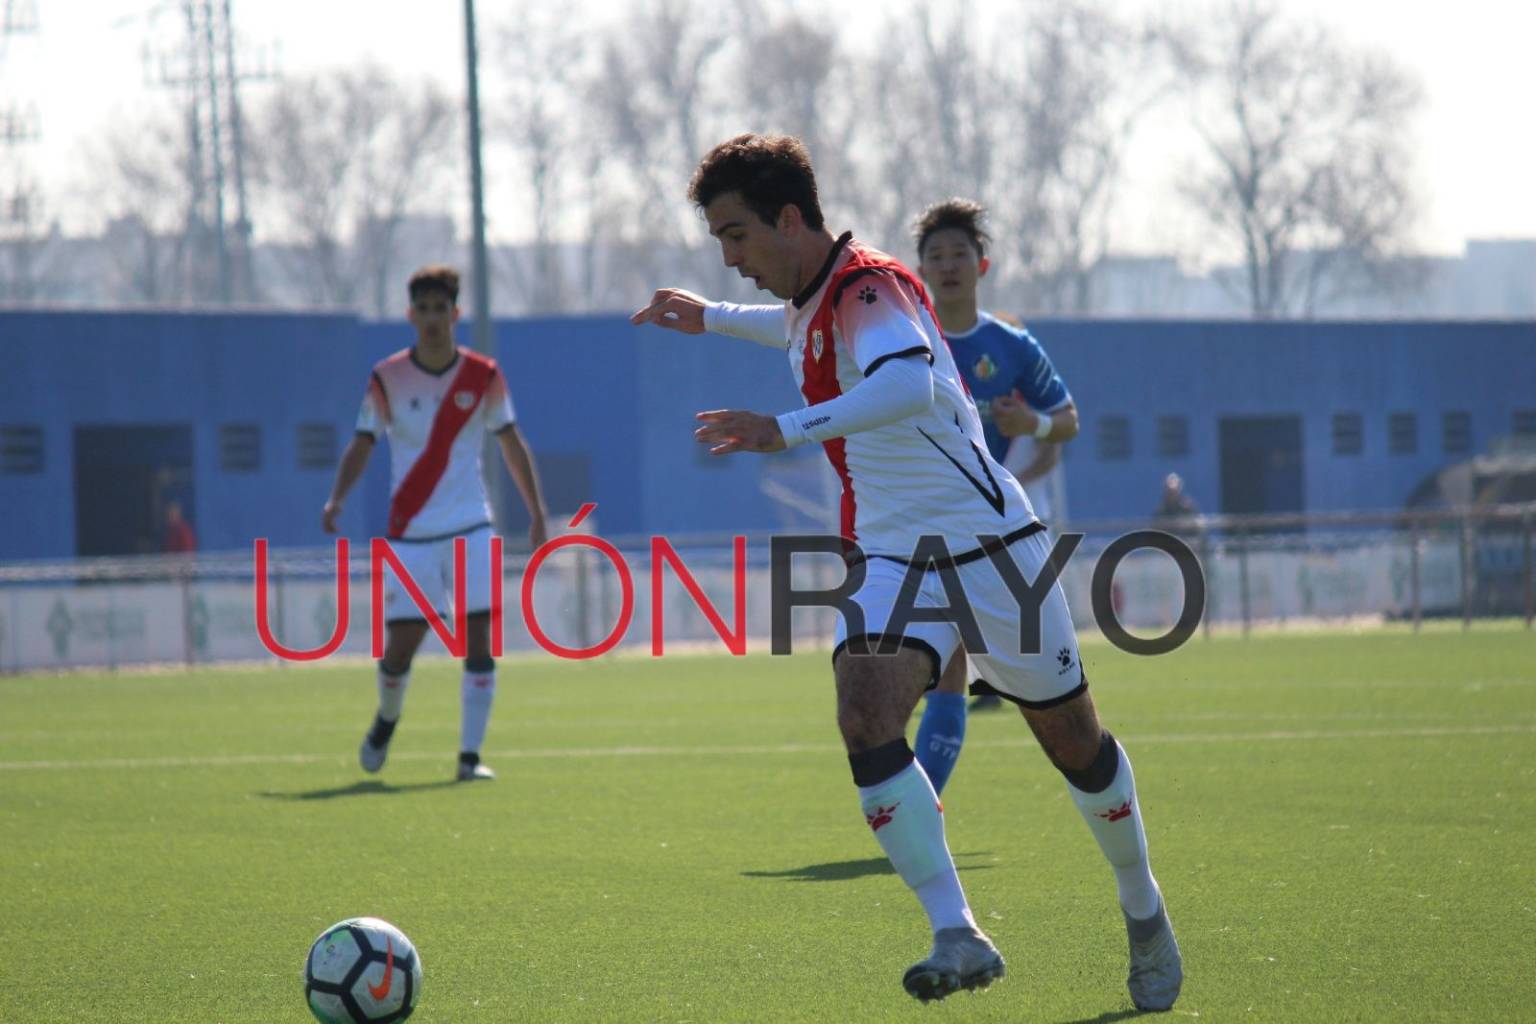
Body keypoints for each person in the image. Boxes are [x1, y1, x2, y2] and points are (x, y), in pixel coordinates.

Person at [631, 134, 1180, 1010]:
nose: (729, 259)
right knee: (863, 709)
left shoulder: (870, 287)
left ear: (788, 217)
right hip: (894, 554)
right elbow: (793, 329)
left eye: (735, 236)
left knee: (1075, 747)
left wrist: (785, 427)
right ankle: (955, 930)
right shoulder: (818, 300)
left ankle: (1143, 907)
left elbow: (910, 385)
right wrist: (708, 316)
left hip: (993, 550)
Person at [322, 265, 549, 783]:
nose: (430, 319)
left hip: (472, 524)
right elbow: (362, 443)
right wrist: (337, 498)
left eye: (439, 309)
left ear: (455, 314)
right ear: (410, 315)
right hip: (411, 531)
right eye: (422, 309)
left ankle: (469, 758)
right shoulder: (387, 377)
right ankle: (386, 718)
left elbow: (512, 443)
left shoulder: (483, 375)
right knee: (401, 647)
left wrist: (536, 512)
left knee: (479, 638)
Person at [912, 199, 1081, 782]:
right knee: (916, 666)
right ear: (921, 271)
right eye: (937, 255)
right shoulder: (906, 339)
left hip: (982, 526)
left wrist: (1028, 425)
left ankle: (918, 807)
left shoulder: (1011, 346)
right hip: (905, 519)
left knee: (953, 664)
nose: (949, 264)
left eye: (961, 253)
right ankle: (914, 805)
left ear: (982, 265)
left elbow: (1067, 420)